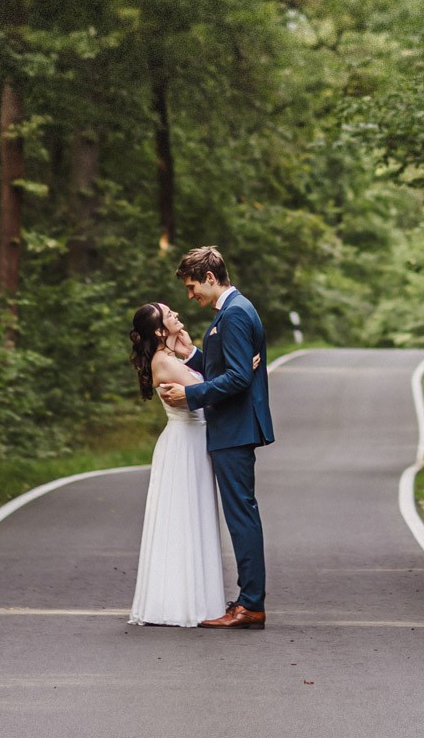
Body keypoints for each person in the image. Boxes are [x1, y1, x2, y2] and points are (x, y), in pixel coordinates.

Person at [157, 245, 274, 629]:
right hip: (231, 426)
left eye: (193, 287)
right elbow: (227, 367)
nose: (191, 297)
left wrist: (190, 395)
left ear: (210, 277)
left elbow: (239, 377)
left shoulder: (236, 313)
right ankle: (248, 600)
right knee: (240, 513)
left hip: (235, 428)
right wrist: (192, 354)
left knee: (241, 515)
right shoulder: (232, 311)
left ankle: (251, 605)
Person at [126, 301, 227, 627]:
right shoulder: (164, 363)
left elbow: (205, 383)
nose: (177, 317)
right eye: (170, 316)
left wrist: (189, 350)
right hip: (184, 444)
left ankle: (193, 598)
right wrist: (247, 369)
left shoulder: (169, 359)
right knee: (182, 518)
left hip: (193, 442)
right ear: (159, 330)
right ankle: (178, 603)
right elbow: (214, 389)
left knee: (191, 516)